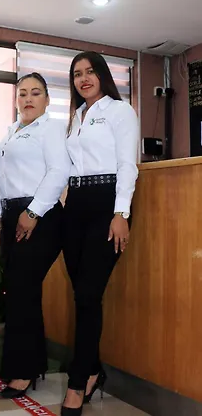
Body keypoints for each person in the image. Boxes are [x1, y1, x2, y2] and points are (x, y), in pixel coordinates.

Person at [61, 51, 138, 415]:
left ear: (103, 75)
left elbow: (127, 164)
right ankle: (92, 369)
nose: (84, 78)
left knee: (89, 294)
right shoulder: (75, 116)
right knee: (82, 294)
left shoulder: (120, 111)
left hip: (107, 203)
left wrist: (121, 212)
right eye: (77, 74)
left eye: (90, 71)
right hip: (75, 206)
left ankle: (78, 383)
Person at [0, 72, 71, 399]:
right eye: (22, 93)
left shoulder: (51, 128)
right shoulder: (11, 131)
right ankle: (31, 364)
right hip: (12, 215)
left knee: (22, 291)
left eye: (35, 93)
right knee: (19, 292)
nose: (27, 98)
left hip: (42, 216)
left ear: (47, 100)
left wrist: (33, 212)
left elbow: (59, 172)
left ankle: (23, 371)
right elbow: (2, 179)